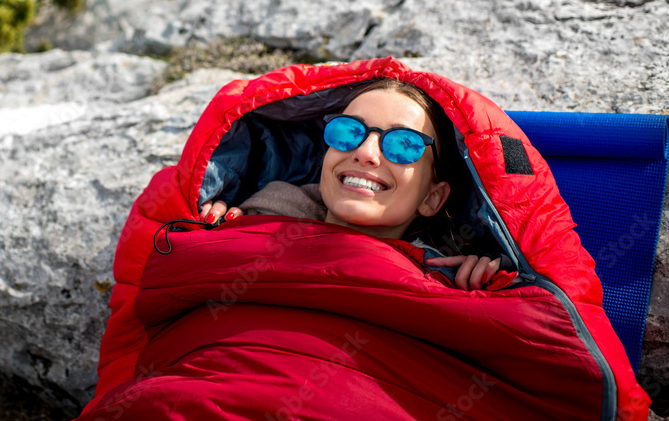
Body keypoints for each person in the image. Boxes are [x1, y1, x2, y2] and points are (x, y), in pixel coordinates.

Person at [199, 78, 503, 291]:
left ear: (433, 198)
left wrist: (485, 282)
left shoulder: (445, 276)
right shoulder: (245, 222)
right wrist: (207, 233)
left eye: (403, 144)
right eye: (348, 131)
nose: (365, 153)